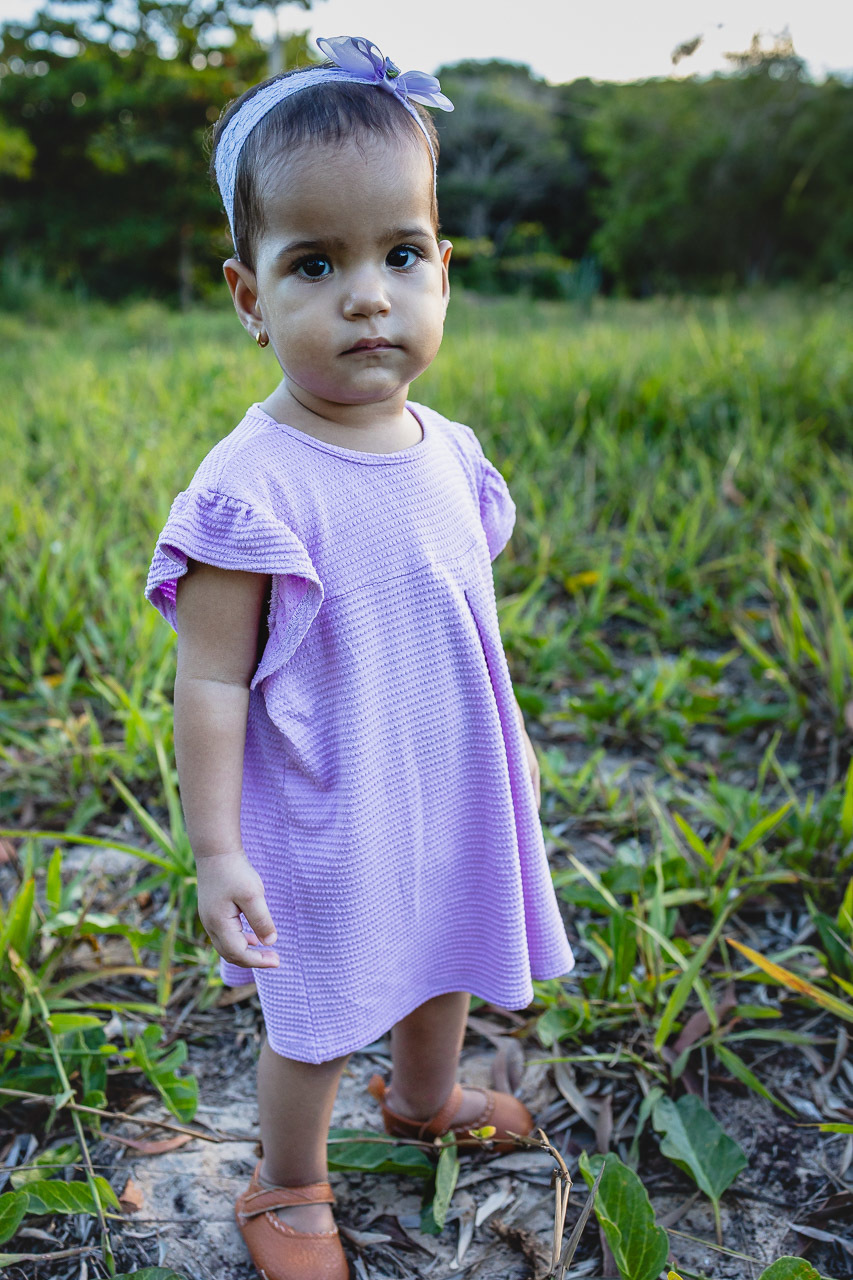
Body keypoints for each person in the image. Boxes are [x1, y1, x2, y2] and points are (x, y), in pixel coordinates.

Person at [145, 35, 574, 1280]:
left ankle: (426, 1096)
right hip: (326, 805)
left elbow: (468, 624)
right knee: (322, 1007)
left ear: (442, 270)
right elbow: (212, 677)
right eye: (315, 264)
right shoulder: (253, 485)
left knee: (447, 949)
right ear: (248, 295)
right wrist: (217, 846)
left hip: (446, 777)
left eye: (397, 256)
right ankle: (286, 1182)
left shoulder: (450, 449)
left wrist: (520, 750)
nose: (366, 296)